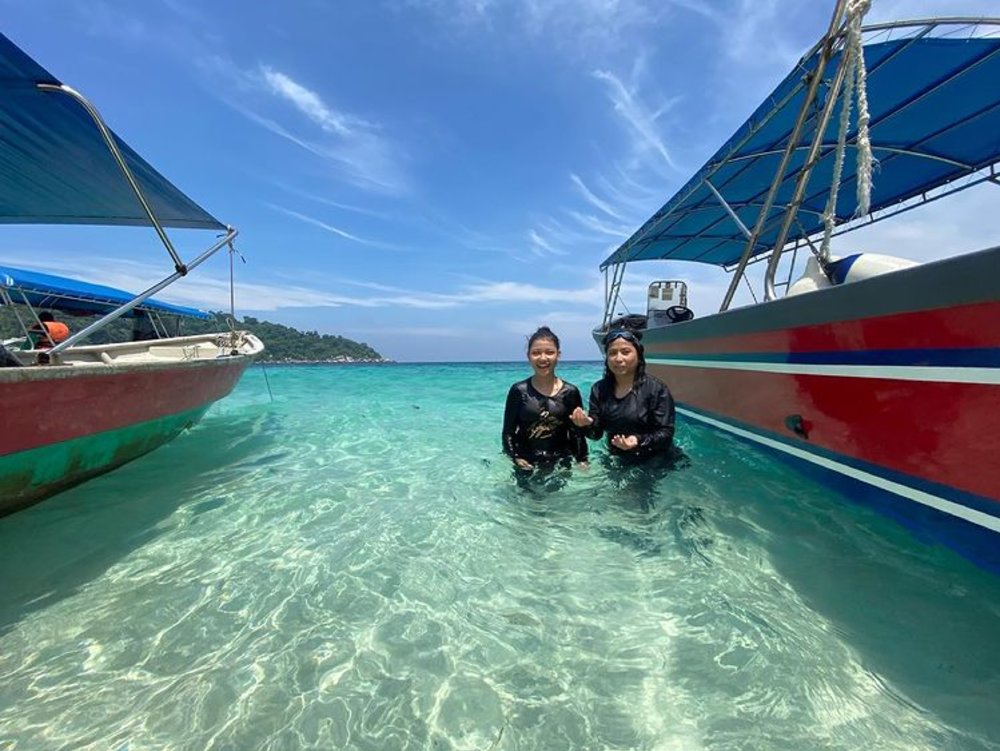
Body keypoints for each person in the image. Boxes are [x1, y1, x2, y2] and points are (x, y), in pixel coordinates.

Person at [571, 329, 675, 463]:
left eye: (626, 352)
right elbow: (596, 434)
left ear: (638, 355)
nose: (618, 359)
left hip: (653, 459)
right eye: (612, 353)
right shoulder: (599, 389)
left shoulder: (656, 389)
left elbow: (666, 432)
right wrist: (587, 423)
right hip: (616, 457)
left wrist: (637, 440)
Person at [502, 326, 588, 485]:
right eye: (536, 353)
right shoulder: (518, 391)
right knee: (527, 504)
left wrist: (582, 459)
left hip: (560, 459)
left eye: (549, 352)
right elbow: (508, 432)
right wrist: (515, 457)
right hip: (526, 460)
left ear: (558, 355)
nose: (543, 358)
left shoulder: (570, 392)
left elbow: (576, 432)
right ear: (528, 356)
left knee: (556, 504)